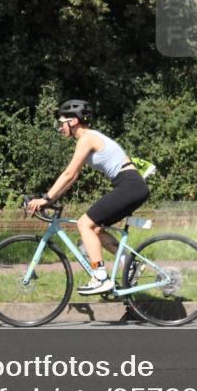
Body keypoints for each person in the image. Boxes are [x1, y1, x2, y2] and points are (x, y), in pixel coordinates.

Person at [26, 99, 150, 295]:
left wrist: (46, 199)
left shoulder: (87, 138)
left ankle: (100, 277)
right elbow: (73, 176)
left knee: (84, 224)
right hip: (131, 185)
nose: (60, 127)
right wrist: (50, 199)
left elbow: (68, 174)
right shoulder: (88, 139)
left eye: (62, 122)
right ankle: (131, 264)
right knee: (96, 229)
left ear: (73, 121)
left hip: (130, 185)